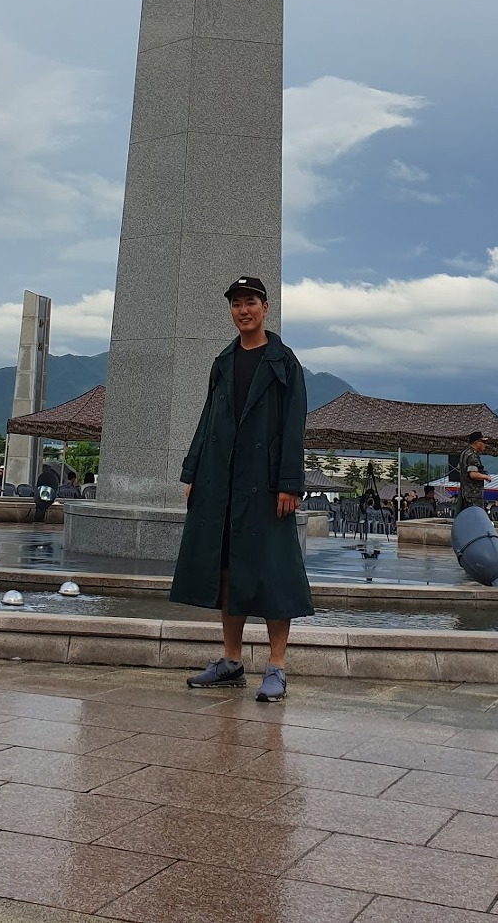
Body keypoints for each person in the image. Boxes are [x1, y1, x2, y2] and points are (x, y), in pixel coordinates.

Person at [173, 275, 312, 704]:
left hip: (265, 486)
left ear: (265, 308)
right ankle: (231, 662)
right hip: (221, 482)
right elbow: (207, 421)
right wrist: (192, 473)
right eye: (236, 304)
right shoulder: (223, 362)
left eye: (250, 302)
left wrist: (289, 484)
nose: (243, 310)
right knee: (227, 571)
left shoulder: (284, 363)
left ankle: (276, 667)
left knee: (274, 573)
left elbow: (294, 426)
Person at [457, 431, 488, 511]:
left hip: (465, 493)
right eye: (483, 442)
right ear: (477, 442)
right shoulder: (472, 456)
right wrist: (486, 477)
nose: (485, 445)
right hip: (473, 494)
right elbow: (473, 474)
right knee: (476, 514)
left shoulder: (464, 453)